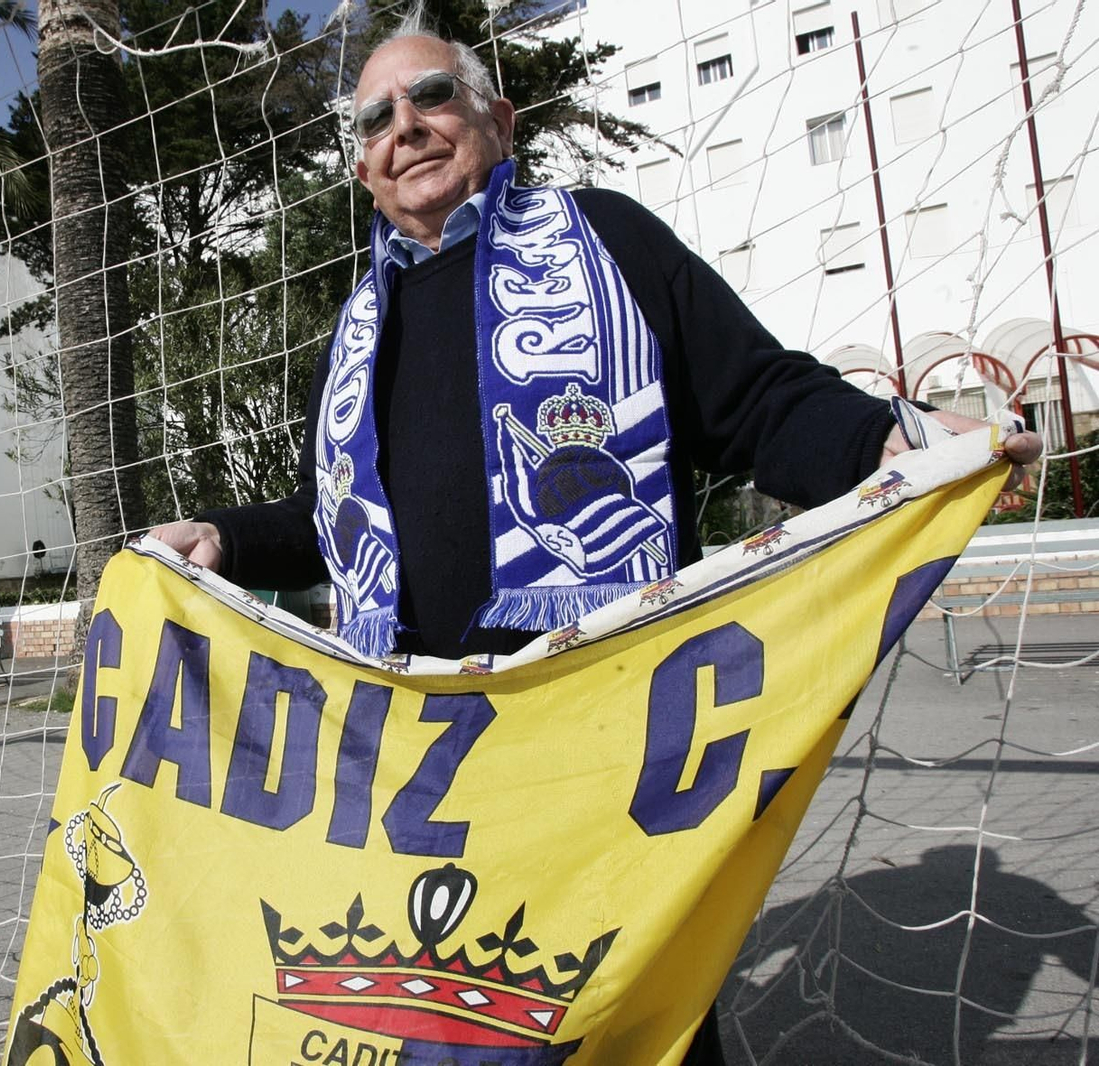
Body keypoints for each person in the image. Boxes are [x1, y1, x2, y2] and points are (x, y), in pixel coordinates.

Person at [148, 17, 1042, 1060]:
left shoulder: (608, 241)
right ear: (361, 167)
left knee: (625, 1001)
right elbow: (339, 524)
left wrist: (902, 436)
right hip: (410, 753)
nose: (407, 126)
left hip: (595, 718)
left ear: (496, 117)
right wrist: (223, 537)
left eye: (432, 94)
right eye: (376, 116)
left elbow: (754, 400)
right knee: (431, 1017)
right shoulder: (354, 330)